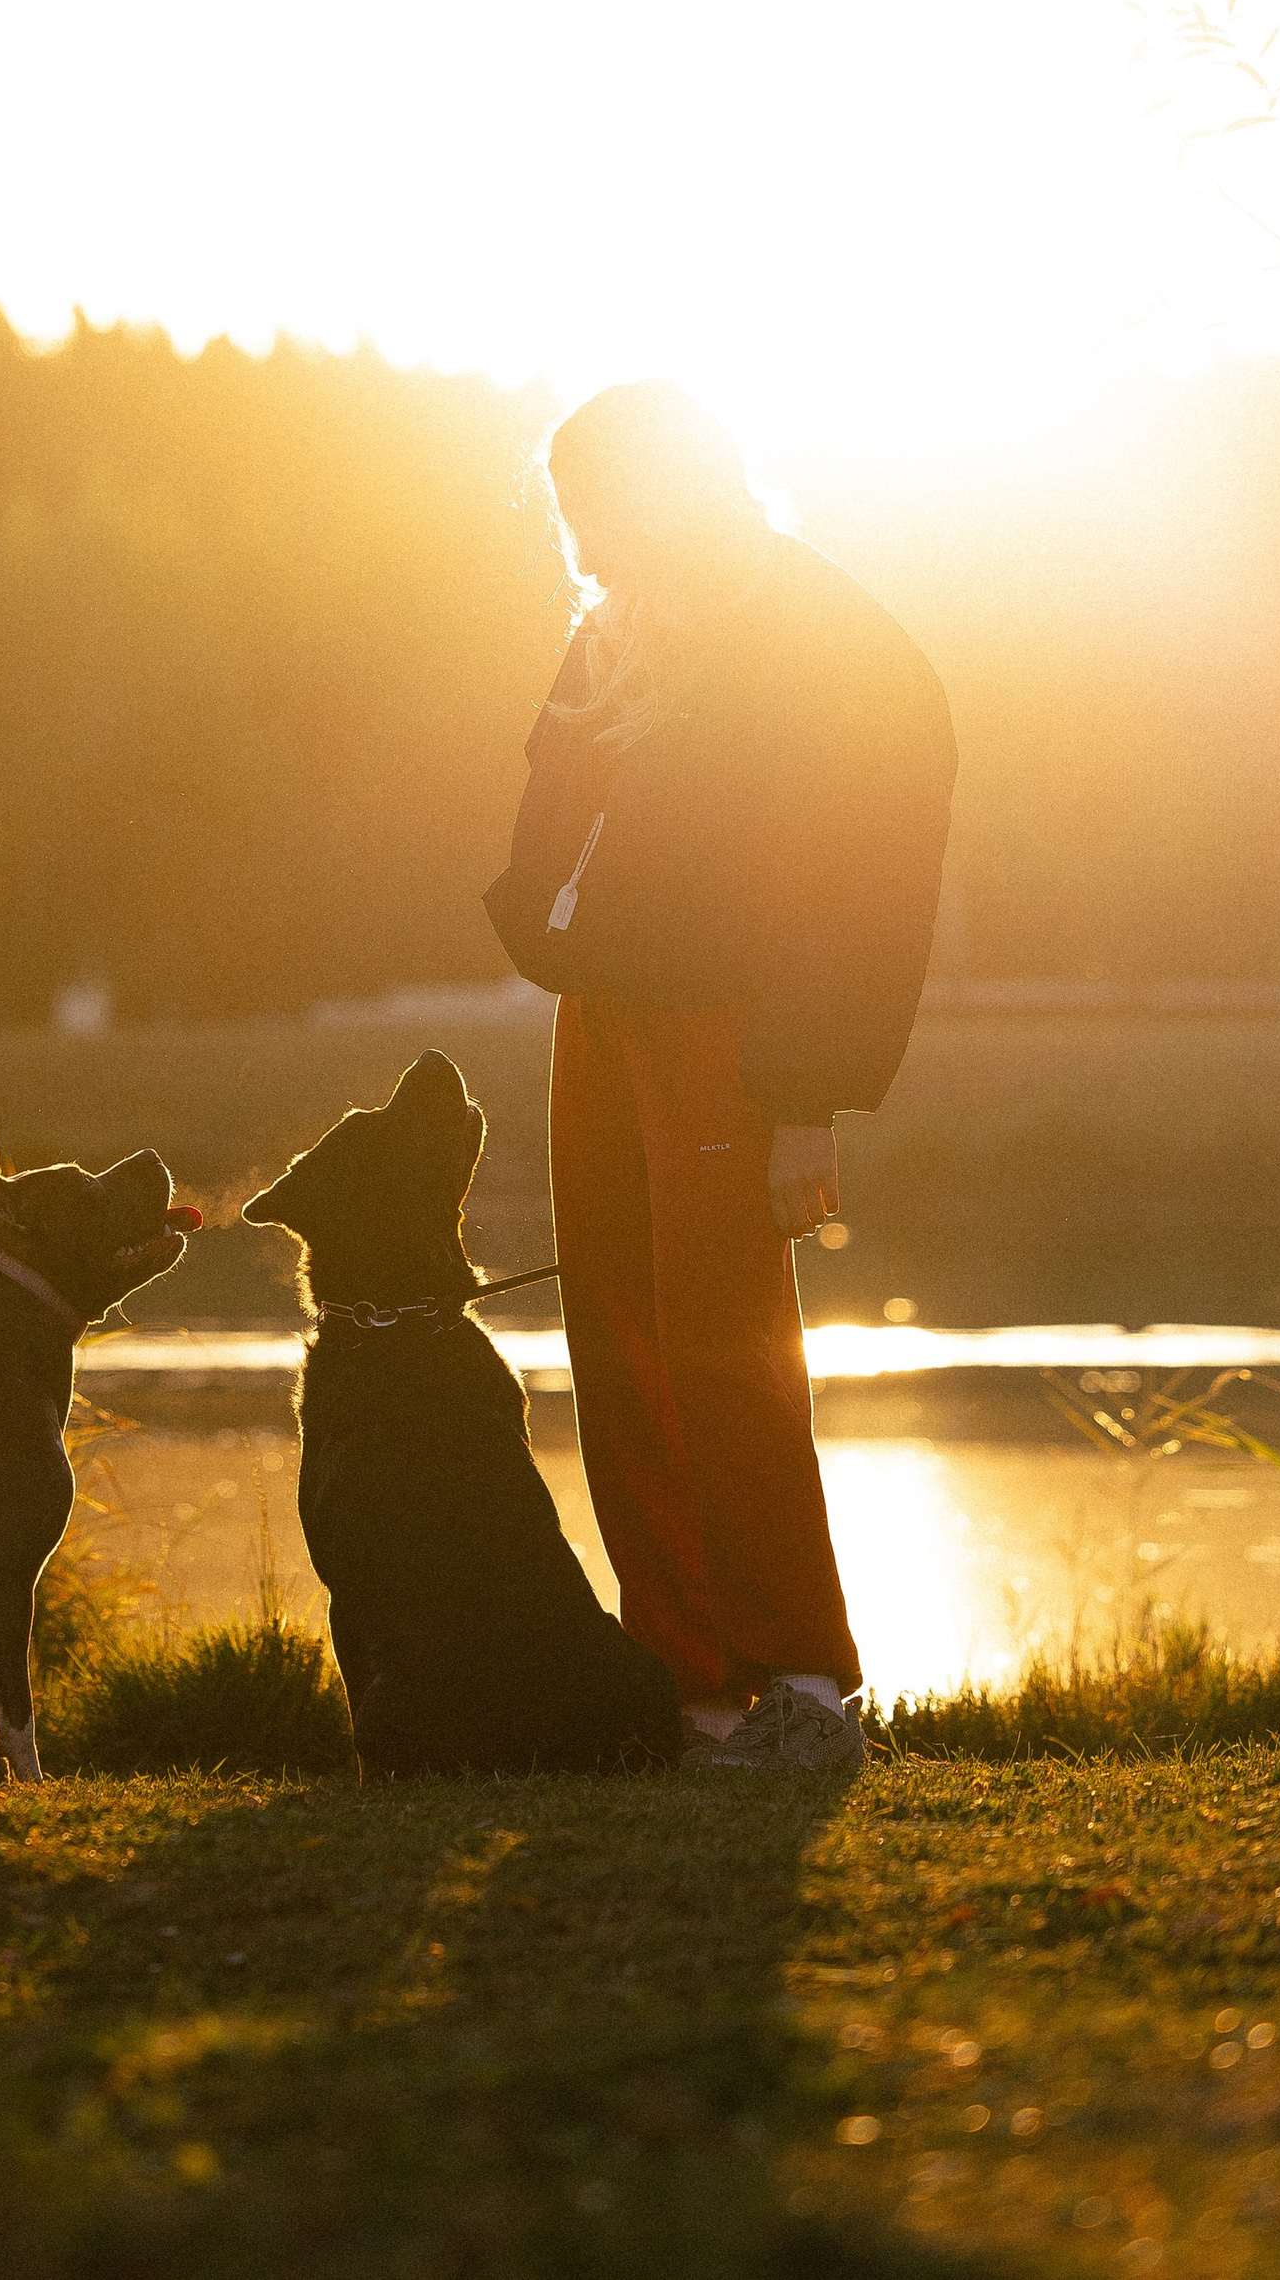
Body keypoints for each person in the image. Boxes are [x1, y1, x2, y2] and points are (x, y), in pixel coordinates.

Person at [484, 381, 956, 1775]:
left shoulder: (831, 640)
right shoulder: (613, 628)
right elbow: (550, 810)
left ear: (673, 489)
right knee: (620, 1348)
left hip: (738, 1039)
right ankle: (685, 1684)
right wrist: (543, 924)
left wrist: (804, 1094)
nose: (586, 541)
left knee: (728, 1347)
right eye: (571, 516)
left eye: (604, 511)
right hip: (606, 1023)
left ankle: (802, 1678)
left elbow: (866, 886)